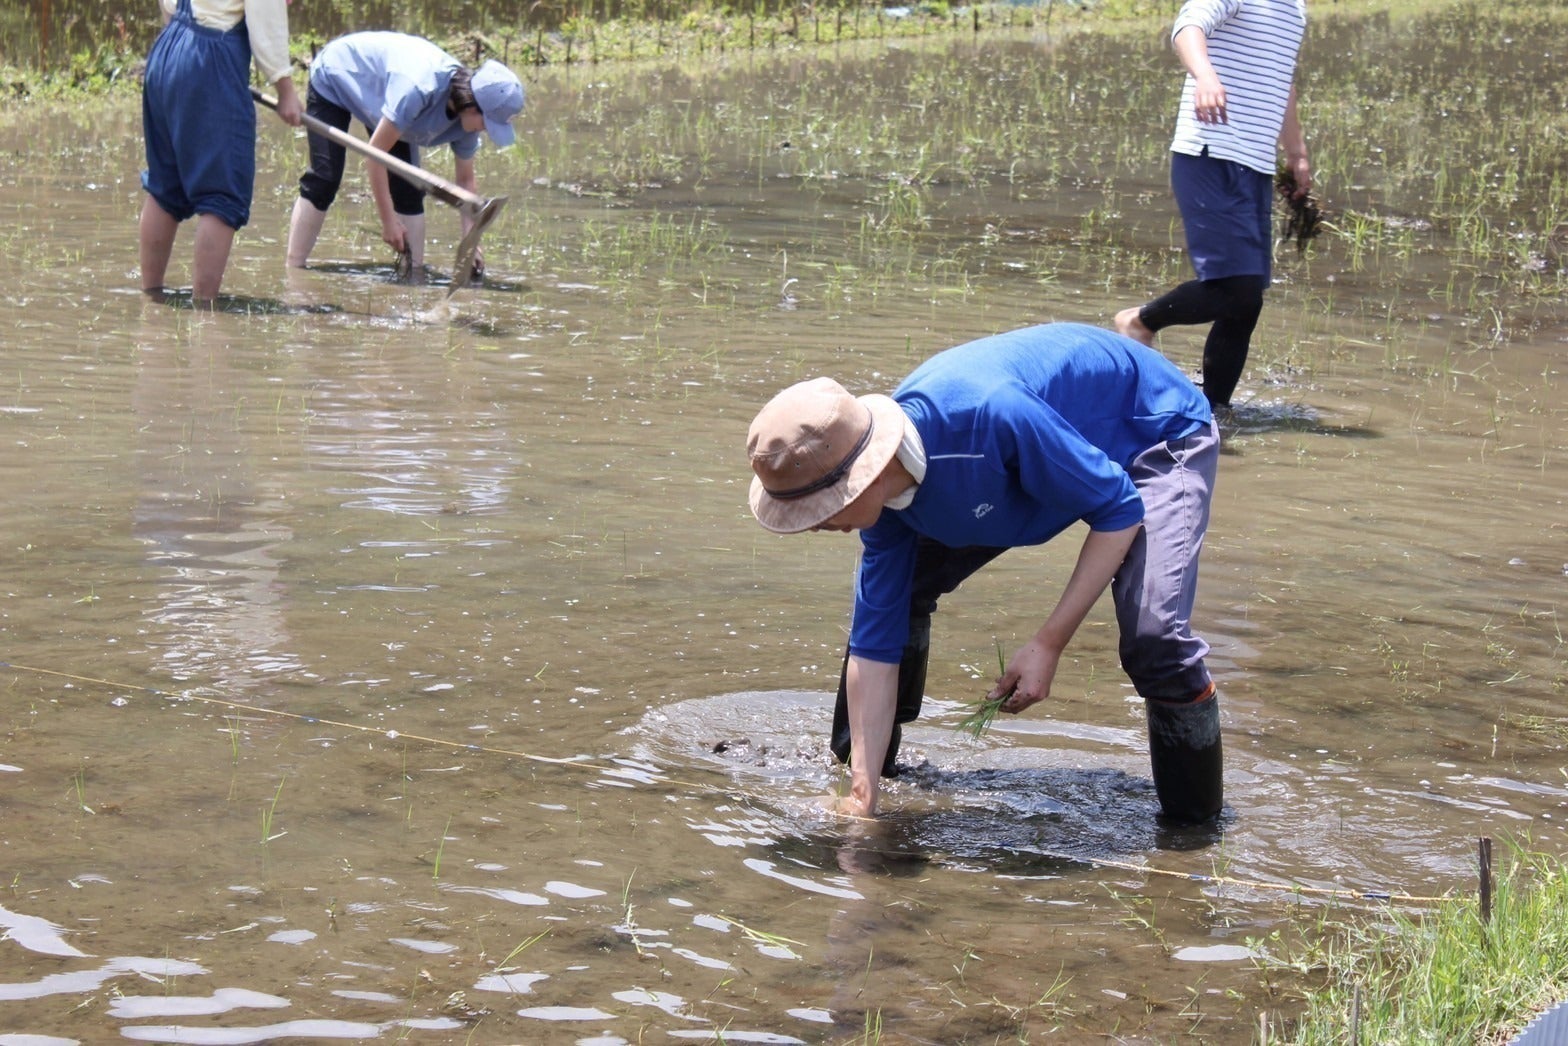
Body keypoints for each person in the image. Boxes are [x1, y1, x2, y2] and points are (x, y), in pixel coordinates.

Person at [745, 323, 1224, 823]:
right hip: (1044, 462)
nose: (815, 526)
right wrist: (862, 802)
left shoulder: (988, 419)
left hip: (1152, 434)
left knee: (1155, 638)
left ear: (865, 474)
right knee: (904, 592)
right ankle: (870, 777)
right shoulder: (886, 511)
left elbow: (1119, 509)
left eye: (820, 510)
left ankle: (1193, 836)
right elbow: (874, 648)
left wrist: (1048, 644)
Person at [1115, 0, 1310, 410]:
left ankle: (1215, 410)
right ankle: (1139, 321)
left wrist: (1296, 153)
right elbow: (1188, 27)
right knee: (1235, 289)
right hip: (1209, 152)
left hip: (1255, 166)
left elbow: (1282, 82)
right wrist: (1205, 74)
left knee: (1247, 300)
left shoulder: (1294, 8)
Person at [285, 32, 524, 277]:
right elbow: (375, 156)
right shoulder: (419, 89)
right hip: (339, 75)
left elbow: (465, 183)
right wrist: (388, 221)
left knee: (409, 190)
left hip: (386, 101)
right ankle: (294, 271)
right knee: (325, 179)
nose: (486, 130)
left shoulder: (468, 124)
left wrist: (470, 242)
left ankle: (413, 276)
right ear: (471, 105)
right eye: (487, 123)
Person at [138, 0, 302, 306]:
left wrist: (183, 50)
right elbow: (265, 17)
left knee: (165, 186)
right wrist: (286, 90)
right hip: (209, 61)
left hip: (168, 49)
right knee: (221, 197)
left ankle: (151, 299)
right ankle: (205, 313)